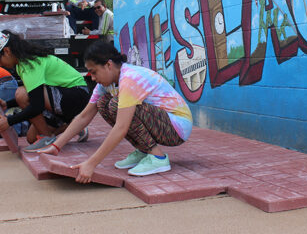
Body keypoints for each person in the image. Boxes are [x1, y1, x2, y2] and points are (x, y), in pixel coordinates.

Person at [39, 41, 193, 181]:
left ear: (108, 65)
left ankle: (158, 158)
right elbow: (84, 116)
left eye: (94, 72)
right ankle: (144, 150)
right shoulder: (106, 84)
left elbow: (121, 127)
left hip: (176, 128)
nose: (92, 78)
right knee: (103, 103)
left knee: (115, 105)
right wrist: (56, 146)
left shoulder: (130, 78)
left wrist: (91, 164)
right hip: (161, 123)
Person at [0, 30, 91, 148]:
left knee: (21, 94)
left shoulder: (30, 64)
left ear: (7, 51)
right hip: (67, 97)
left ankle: (47, 139)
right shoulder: (22, 64)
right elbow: (35, 95)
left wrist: (9, 121)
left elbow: (37, 105)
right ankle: (76, 124)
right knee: (32, 138)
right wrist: (8, 104)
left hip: (77, 95)